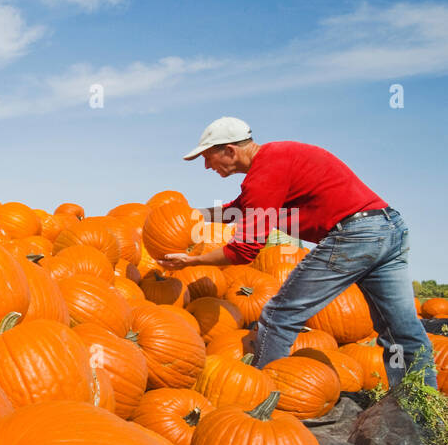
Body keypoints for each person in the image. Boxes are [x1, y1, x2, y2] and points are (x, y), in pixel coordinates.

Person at [159, 116, 436, 389]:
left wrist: (191, 261)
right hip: (388, 228)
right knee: (398, 329)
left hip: (355, 235)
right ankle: (420, 411)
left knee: (279, 315)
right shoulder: (277, 159)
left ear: (229, 150)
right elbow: (238, 209)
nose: (207, 166)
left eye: (208, 157)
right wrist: (192, 215)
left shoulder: (264, 174)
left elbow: (244, 251)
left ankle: (263, 396)